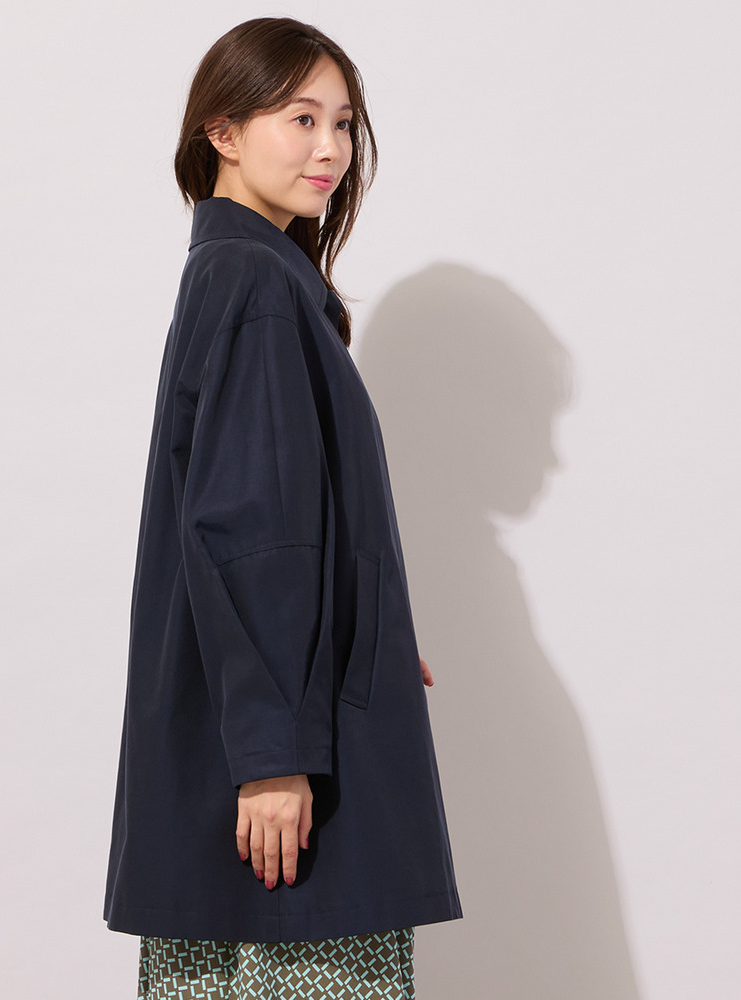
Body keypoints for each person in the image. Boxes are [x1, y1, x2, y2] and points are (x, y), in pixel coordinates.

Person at [103, 16, 462, 998]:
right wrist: (271, 759)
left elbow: (277, 514)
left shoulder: (249, 274)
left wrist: (360, 632)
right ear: (221, 131)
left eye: (342, 123)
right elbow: (249, 529)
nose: (330, 148)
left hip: (282, 715)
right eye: (301, 118)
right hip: (278, 757)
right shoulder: (254, 282)